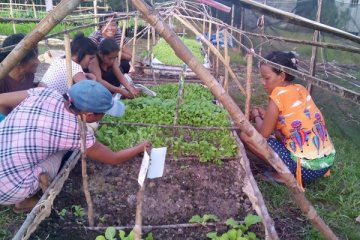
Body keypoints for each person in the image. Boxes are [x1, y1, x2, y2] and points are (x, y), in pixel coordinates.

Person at [0, 80, 150, 213]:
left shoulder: (45, 92)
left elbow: (2, 99)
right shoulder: (76, 132)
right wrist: (140, 147)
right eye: (104, 113)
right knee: (62, 151)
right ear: (90, 115)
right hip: (9, 187)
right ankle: (24, 202)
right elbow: (113, 158)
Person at [241, 51, 336, 190]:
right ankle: (290, 167)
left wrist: (256, 115)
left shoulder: (277, 95)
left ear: (282, 76)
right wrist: (265, 115)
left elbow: (263, 134)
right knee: (281, 136)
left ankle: (283, 176)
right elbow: (287, 120)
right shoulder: (301, 89)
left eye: (266, 78)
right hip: (326, 163)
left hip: (304, 169)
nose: (263, 82)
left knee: (246, 136)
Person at [0, 33, 40, 115]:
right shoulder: (2, 80)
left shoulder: (29, 75)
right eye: (34, 58)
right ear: (18, 61)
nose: (38, 62)